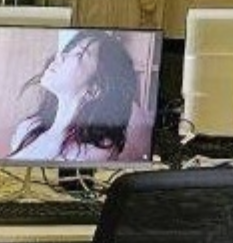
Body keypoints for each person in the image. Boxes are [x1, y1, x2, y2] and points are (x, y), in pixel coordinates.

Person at [9, 30, 142, 162]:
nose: (60, 56)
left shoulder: (95, 152)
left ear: (94, 89)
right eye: (68, 50)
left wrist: (58, 131)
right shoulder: (30, 127)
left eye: (79, 54)